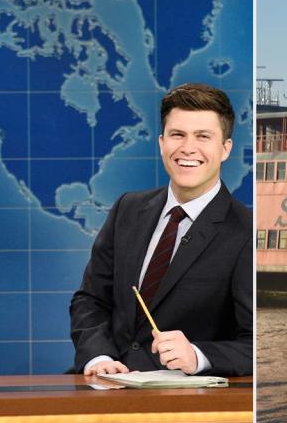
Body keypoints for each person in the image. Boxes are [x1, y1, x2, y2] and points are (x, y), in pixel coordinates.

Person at [70, 83, 252, 376]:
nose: (187, 148)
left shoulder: (245, 233)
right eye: (177, 135)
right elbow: (91, 300)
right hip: (104, 388)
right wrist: (98, 357)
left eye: (203, 137)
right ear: (161, 143)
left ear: (225, 149)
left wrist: (198, 355)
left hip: (188, 406)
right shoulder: (127, 209)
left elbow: (256, 344)